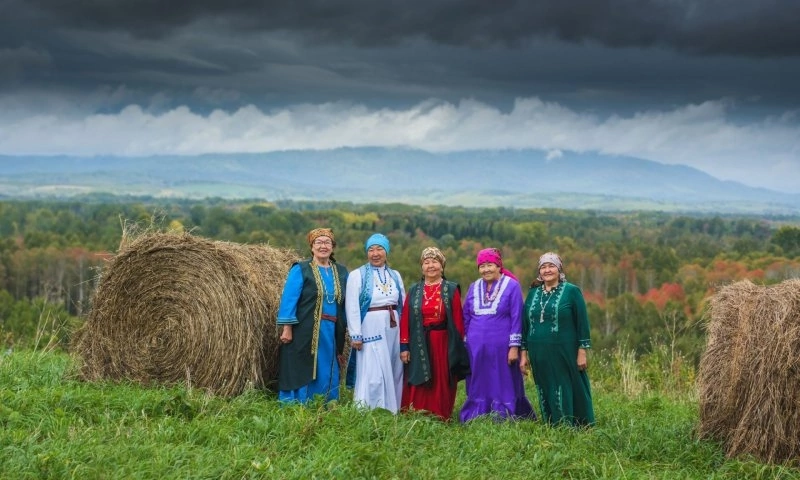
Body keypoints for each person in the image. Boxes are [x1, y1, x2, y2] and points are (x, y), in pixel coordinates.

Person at [459, 248, 535, 423]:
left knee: (503, 380)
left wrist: (514, 347)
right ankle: (477, 414)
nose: (486, 269)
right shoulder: (474, 286)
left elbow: (517, 318)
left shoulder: (512, 286)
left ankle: (505, 415)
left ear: (499, 266)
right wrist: (465, 343)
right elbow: (467, 316)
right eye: (482, 266)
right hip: (476, 347)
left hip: (502, 347)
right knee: (479, 380)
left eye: (490, 265)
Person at [520, 252, 595, 427]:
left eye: (551, 266)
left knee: (568, 385)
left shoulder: (572, 291)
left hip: (565, 351)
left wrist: (582, 350)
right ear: (539, 271)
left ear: (559, 268)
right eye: (543, 267)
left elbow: (582, 322)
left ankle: (575, 424)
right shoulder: (533, 293)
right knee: (545, 384)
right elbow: (525, 324)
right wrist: (524, 353)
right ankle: (551, 423)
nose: (547, 270)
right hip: (538, 352)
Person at [276, 228, 348, 404]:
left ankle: (327, 400)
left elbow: (348, 301)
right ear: (312, 246)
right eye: (319, 242)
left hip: (332, 329)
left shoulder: (341, 271)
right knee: (304, 362)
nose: (323, 246)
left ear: (333, 246)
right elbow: (289, 299)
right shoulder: (301, 269)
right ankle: (300, 401)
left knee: (327, 364)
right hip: (306, 328)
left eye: (327, 242)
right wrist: (287, 328)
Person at [399, 247, 470, 421]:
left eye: (435, 261)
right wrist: (404, 346)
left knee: (441, 379)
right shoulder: (414, 290)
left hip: (442, 341)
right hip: (418, 340)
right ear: (422, 267)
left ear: (442, 266)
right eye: (426, 262)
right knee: (418, 375)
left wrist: (457, 347)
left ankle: (440, 414)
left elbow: (457, 320)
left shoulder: (451, 289)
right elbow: (406, 319)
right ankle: (417, 412)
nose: (431, 266)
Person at [345, 233, 406, 413]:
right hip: (370, 327)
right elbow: (352, 306)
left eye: (380, 249)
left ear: (386, 252)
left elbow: (402, 303)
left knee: (395, 368)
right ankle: (369, 410)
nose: (375, 253)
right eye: (371, 249)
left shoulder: (395, 275)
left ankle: (392, 409)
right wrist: (355, 333)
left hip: (394, 328)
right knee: (373, 372)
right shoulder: (357, 275)